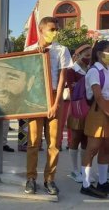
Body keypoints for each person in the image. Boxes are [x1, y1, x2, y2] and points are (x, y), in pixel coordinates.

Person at [24, 17, 73, 195]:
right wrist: (35, 57)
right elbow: (27, 78)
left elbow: (62, 78)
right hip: (35, 97)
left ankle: (49, 179)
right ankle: (30, 178)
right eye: (51, 29)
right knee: (33, 142)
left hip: (53, 96)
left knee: (54, 143)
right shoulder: (29, 50)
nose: (55, 32)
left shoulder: (61, 50)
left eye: (56, 29)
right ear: (41, 30)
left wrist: (56, 103)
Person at [80, 40, 109, 198]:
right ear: (99, 53)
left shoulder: (107, 70)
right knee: (92, 148)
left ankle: (103, 182)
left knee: (106, 148)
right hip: (98, 111)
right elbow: (97, 96)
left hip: (107, 110)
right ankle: (85, 184)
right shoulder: (94, 71)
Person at [66, 44, 92, 183]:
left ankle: (83, 169)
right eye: (86, 56)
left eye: (90, 56)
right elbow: (73, 90)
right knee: (75, 139)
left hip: (90, 109)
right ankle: (74, 169)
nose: (88, 59)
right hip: (77, 109)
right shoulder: (71, 71)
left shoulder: (90, 69)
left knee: (86, 141)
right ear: (78, 56)